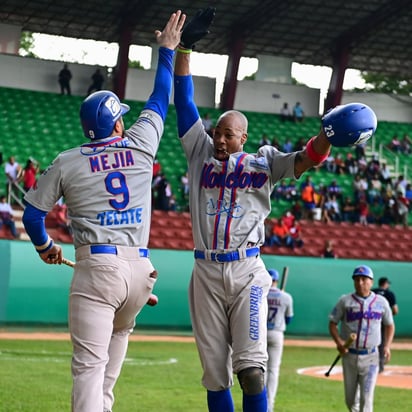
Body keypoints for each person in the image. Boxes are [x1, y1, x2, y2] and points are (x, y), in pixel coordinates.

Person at [173, 8, 376, 411]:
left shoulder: (263, 161)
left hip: (247, 271)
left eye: (228, 135)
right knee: (215, 377)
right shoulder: (199, 152)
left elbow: (307, 159)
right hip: (205, 272)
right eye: (217, 132)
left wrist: (327, 135)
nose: (219, 139)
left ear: (243, 137)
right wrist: (185, 49)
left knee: (251, 372)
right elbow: (182, 102)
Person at [22, 11, 186, 412]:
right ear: (116, 124)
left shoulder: (68, 160)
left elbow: (31, 216)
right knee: (107, 380)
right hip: (140, 273)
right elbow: (160, 96)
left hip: (97, 271)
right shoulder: (141, 143)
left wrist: (45, 247)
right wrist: (166, 50)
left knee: (88, 371)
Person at [329, 265, 395, 412]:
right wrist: (339, 342)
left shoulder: (381, 302)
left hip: (371, 357)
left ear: (371, 282)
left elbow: (390, 325)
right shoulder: (345, 301)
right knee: (351, 401)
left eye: (364, 279)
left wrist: (387, 346)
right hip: (349, 356)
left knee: (366, 400)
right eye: (357, 279)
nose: (360, 283)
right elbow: (333, 323)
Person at [265, 269, 294, 412]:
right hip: (277, 333)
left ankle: (259, 404)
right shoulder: (286, 297)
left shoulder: (260, 294)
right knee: (273, 370)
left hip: (261, 333)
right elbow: (289, 319)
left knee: (260, 369)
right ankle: (269, 405)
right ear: (276, 280)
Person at [372, 277, 399, 373]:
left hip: (371, 320)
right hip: (383, 321)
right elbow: (395, 310)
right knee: (382, 342)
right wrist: (389, 316)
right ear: (385, 283)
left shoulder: (372, 292)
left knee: (369, 341)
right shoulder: (389, 294)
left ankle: (369, 364)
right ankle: (380, 366)